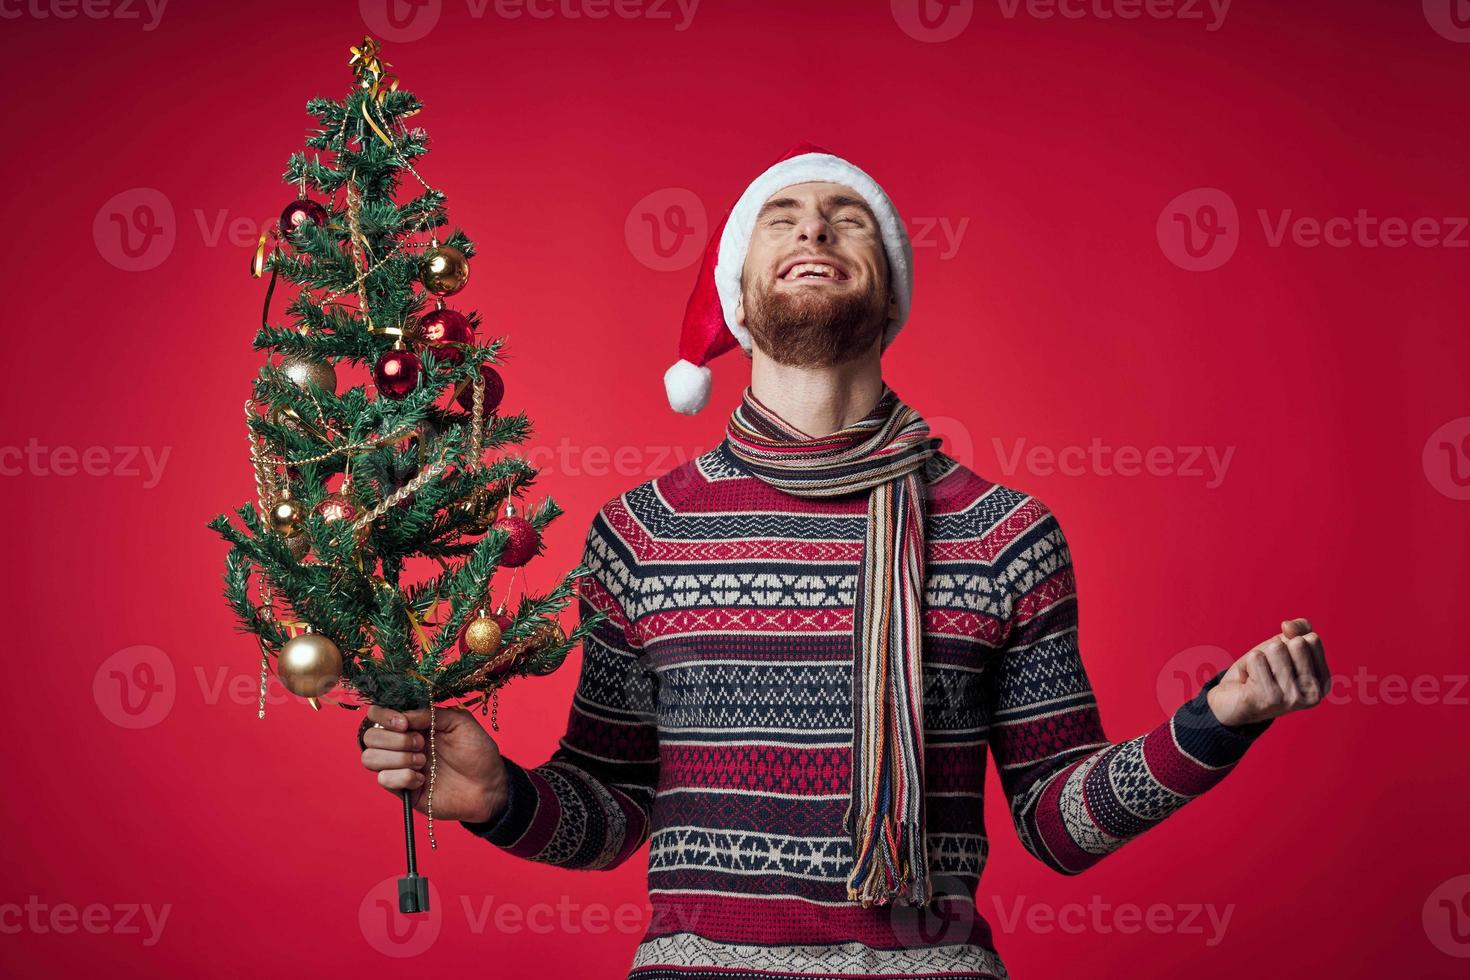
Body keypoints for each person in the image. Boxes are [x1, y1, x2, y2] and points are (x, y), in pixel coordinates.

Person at [359, 143, 1331, 979]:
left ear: (894, 288)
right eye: (781, 219)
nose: (814, 232)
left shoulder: (1004, 532)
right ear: (738, 293)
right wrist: (501, 795)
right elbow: (613, 809)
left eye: (845, 220)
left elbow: (1058, 821)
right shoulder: (643, 529)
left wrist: (1220, 717)